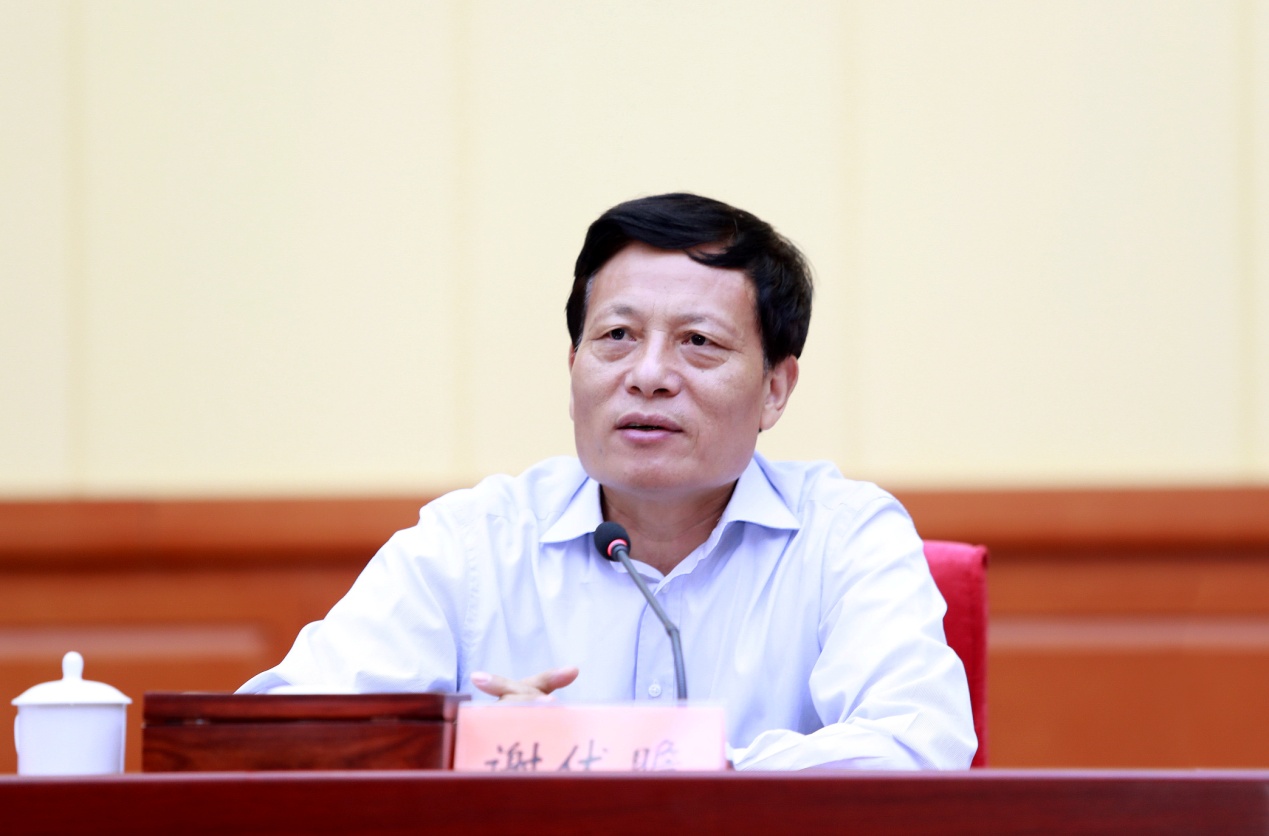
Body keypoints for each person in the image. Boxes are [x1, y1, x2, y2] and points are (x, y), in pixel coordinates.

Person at [240, 193, 977, 770]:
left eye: (698, 342)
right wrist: (476, 752)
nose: (648, 375)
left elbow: (920, 746)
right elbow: (275, 739)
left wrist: (625, 760)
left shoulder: (845, 535)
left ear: (775, 390)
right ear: (573, 371)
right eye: (617, 337)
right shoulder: (470, 544)